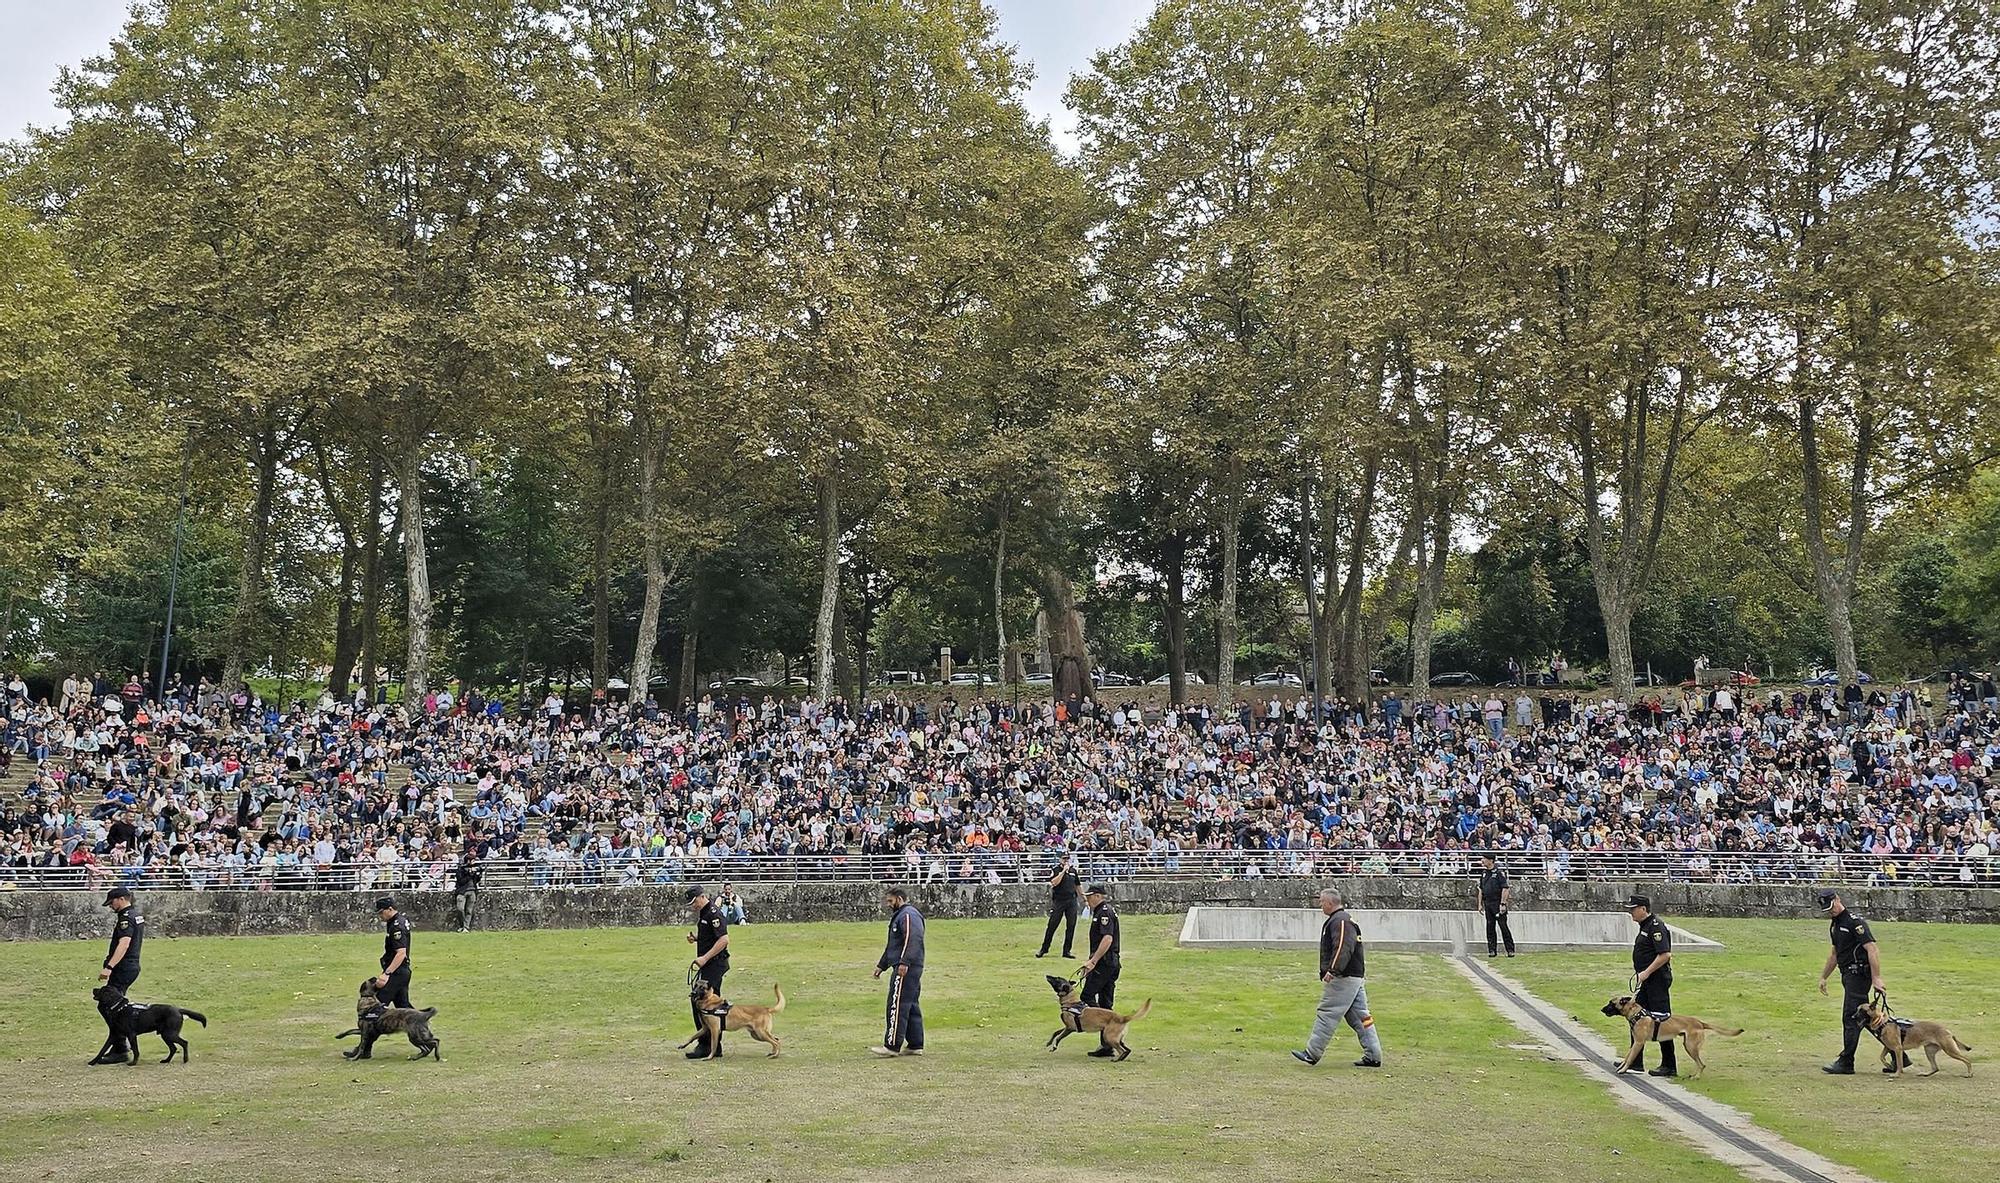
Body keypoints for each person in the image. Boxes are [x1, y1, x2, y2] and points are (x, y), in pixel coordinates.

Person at [1292, 888, 1383, 1068]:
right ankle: (1373, 1055)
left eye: (1321, 903)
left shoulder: (1340, 921)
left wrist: (1333, 970)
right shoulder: (1343, 919)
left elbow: (1342, 947)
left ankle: (1312, 1053)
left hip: (1344, 976)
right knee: (1360, 1017)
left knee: (1327, 1012)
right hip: (1354, 976)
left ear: (1330, 903)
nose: (1320, 906)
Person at [1818, 889, 1893, 1074]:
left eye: (1832, 906)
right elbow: (1835, 954)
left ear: (1838, 899)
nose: (1831, 911)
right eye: (1827, 909)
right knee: (1864, 1018)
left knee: (1850, 1017)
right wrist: (1823, 977)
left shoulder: (1854, 922)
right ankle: (1899, 1052)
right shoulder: (1835, 925)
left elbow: (1872, 950)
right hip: (1848, 975)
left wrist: (1876, 977)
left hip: (1859, 975)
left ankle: (1846, 1061)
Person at [1622, 894, 1676, 1077]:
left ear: (1643, 909)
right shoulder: (1644, 926)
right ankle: (1635, 1061)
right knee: (1635, 1016)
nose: (1631, 912)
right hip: (1647, 981)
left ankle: (1669, 1064)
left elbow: (1665, 955)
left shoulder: (1656, 927)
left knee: (1662, 1020)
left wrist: (1646, 972)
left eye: (1633, 908)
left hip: (1657, 981)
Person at [869, 885, 926, 1057]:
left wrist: (904, 962)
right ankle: (916, 1044)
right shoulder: (901, 916)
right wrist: (882, 965)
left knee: (897, 1004)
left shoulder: (908, 915)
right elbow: (894, 945)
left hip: (906, 968)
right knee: (911, 1005)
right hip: (907, 966)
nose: (888, 904)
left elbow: (912, 939)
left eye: (890, 901)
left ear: (899, 899)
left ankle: (892, 1045)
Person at [684, 885, 731, 1059]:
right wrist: (697, 938)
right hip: (709, 965)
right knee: (702, 1002)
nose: (693, 906)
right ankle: (713, 1045)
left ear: (702, 897)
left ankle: (708, 1045)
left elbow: (724, 939)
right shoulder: (704, 913)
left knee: (705, 1003)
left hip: (714, 964)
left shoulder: (713, 913)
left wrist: (704, 958)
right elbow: (711, 936)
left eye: (694, 902)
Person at [1079, 883, 1121, 1056]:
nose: (1087, 899)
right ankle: (1107, 1044)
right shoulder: (1101, 911)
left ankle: (1104, 1024)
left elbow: (1107, 939)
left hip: (1104, 962)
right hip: (1110, 962)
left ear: (1097, 896)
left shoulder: (1104, 912)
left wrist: (1093, 961)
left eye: (1089, 896)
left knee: (1087, 995)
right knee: (1106, 1001)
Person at [375, 896, 415, 1009]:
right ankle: (420, 1024)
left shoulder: (397, 926)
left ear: (390, 909)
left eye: (382, 912)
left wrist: (387, 974)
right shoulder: (395, 921)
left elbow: (401, 953)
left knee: (378, 1004)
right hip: (401, 970)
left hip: (397, 971)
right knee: (403, 1006)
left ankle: (370, 1026)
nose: (380, 916)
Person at [1038, 856, 1081, 959]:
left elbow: (1077, 885)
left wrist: (1083, 897)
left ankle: (1067, 951)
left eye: (1067, 859)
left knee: (1071, 926)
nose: (1066, 861)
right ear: (1060, 859)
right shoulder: (1056, 870)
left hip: (1071, 901)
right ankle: (1044, 948)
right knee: (1052, 925)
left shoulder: (1073, 871)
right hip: (1059, 901)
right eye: (1064, 859)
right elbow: (1054, 882)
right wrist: (1063, 872)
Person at [1476, 854, 1516, 958]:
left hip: (1497, 903)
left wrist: (1503, 904)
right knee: (1490, 927)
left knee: (1503, 926)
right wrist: (1480, 904)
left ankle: (1510, 949)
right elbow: (1480, 889)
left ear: (1491, 860)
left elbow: (1505, 888)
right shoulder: (1484, 873)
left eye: (1484, 859)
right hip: (1488, 903)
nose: (1482, 861)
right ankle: (1492, 950)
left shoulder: (1499, 873)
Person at [451, 852, 481, 933]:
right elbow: (461, 881)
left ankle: (466, 927)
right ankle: (462, 925)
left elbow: (477, 880)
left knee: (469, 910)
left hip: (472, 891)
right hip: (462, 891)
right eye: (471, 860)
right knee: (460, 909)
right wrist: (469, 874)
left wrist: (478, 874)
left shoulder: (475, 868)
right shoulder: (461, 869)